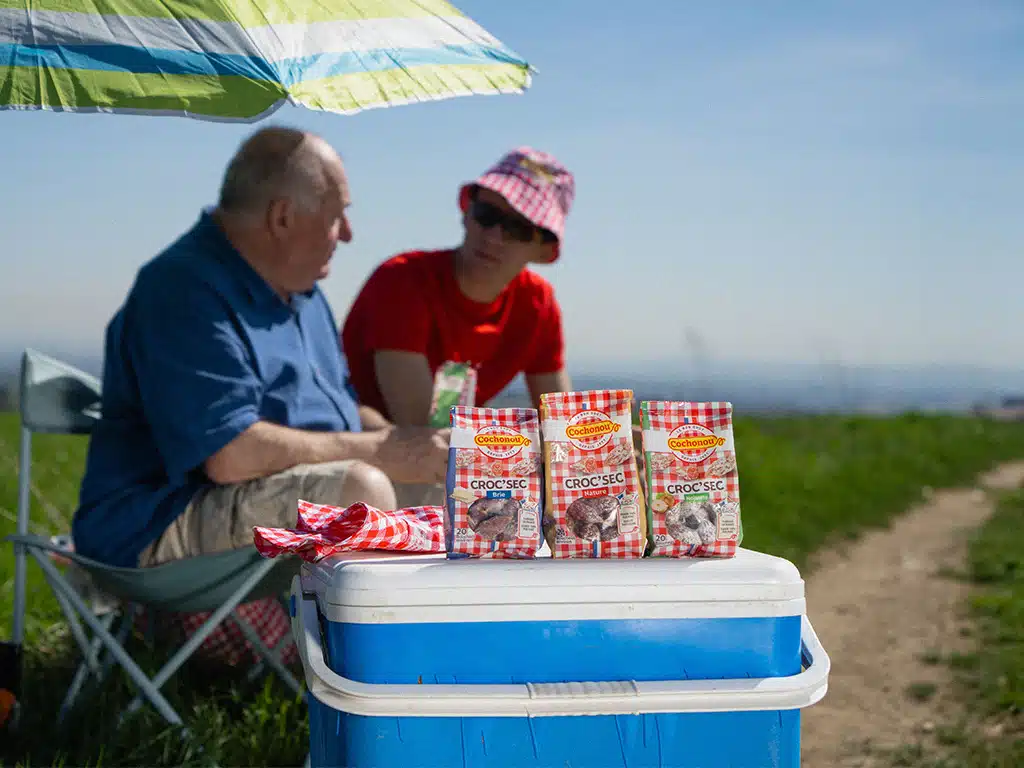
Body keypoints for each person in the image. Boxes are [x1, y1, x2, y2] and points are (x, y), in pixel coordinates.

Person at [72, 126, 449, 570]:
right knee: (359, 496)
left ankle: (440, 637)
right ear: (283, 217)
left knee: (452, 483)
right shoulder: (182, 291)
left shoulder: (303, 291)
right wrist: (382, 452)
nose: (347, 234)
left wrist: (411, 444)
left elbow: (344, 413)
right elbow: (230, 456)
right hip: (156, 520)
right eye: (336, 216)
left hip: (263, 494)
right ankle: (344, 639)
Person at [340, 147, 576, 428]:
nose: (493, 236)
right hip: (361, 449)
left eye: (518, 228)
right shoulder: (403, 281)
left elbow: (561, 425)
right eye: (486, 214)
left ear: (543, 249)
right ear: (467, 212)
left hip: (433, 457)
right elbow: (422, 429)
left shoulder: (538, 303)